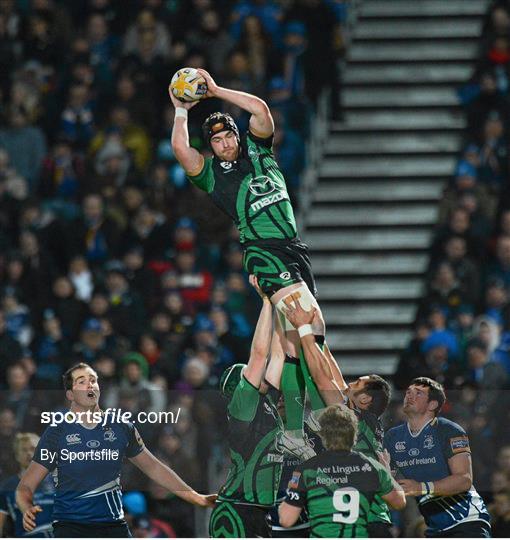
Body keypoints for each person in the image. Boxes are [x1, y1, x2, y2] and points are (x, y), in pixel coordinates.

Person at [169, 67, 328, 456]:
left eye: (228, 135)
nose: (224, 143)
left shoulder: (260, 150)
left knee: (299, 341)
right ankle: (313, 421)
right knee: (307, 328)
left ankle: (297, 425)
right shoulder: (211, 176)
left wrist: (218, 90)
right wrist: (180, 110)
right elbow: (181, 151)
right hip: (263, 252)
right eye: (217, 140)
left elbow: (260, 111)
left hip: (293, 250)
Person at [15, 363, 215, 538]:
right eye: (82, 381)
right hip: (72, 528)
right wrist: (26, 507)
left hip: (113, 526)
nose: (90, 385)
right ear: (70, 394)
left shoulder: (121, 426)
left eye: (93, 380)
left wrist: (196, 497)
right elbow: (26, 486)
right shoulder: (56, 432)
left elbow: (154, 467)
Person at [282, 295, 395, 537]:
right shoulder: (365, 421)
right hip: (375, 519)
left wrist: (304, 330)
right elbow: (330, 369)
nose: (348, 384)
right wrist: (318, 337)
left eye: (357, 383)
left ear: (364, 400)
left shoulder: (353, 417)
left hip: (365, 521)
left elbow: (323, 377)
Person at [209, 275, 286, 538]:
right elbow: (260, 354)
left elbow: (277, 355)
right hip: (237, 508)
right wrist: (266, 301)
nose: (260, 373)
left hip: (257, 509)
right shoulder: (242, 402)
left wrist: (280, 303)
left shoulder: (264, 404)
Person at [384, 377, 491, 538]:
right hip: (434, 528)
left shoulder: (448, 430)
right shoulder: (393, 436)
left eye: (418, 393)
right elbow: (392, 493)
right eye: (408, 392)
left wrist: (421, 487)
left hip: (468, 521)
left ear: (432, 404)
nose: (409, 395)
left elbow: (464, 479)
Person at [278, 406, 406, 537]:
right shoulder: (372, 466)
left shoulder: (305, 469)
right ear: (355, 433)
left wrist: (291, 492)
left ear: (322, 434)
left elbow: (286, 520)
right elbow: (399, 502)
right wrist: (387, 473)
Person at [0, 433, 55, 538]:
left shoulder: (58, 481)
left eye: (33, 448)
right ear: (17, 456)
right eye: (24, 450)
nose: (29, 453)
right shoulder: (7, 486)